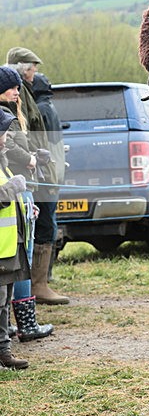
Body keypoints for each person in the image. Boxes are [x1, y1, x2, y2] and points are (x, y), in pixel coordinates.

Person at [6, 47, 69, 304]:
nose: (35, 72)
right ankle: (33, 290)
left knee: (40, 228)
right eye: (32, 67)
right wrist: (31, 158)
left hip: (34, 173)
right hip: (22, 176)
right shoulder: (20, 102)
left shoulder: (28, 98)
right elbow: (13, 140)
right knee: (36, 229)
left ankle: (37, 286)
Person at [0, 66, 53, 341]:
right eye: (12, 87)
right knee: (22, 260)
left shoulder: (10, 112)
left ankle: (11, 325)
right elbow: (9, 148)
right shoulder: (4, 116)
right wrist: (30, 159)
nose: (17, 92)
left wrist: (33, 154)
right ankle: (27, 325)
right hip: (16, 192)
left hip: (20, 190)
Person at [0, 107, 31, 370]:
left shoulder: (3, 162)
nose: (4, 137)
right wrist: (11, 189)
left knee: (3, 303)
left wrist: (25, 207)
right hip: (2, 248)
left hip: (9, 247)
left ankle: (4, 353)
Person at [32, 72, 67, 280]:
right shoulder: (49, 107)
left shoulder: (41, 109)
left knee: (46, 223)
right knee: (50, 220)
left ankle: (44, 275)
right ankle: (46, 274)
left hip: (49, 175)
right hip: (56, 173)